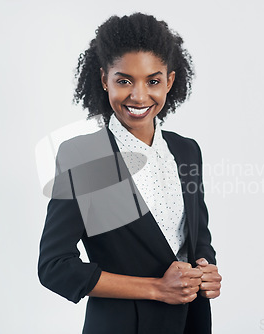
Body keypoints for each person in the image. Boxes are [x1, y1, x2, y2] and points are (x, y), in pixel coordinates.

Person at [38, 12, 221, 334]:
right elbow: (55, 268)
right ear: (103, 79)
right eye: (124, 80)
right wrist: (156, 288)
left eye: (153, 80)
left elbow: (197, 240)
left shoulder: (186, 150)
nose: (139, 96)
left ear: (170, 81)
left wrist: (206, 271)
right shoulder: (83, 156)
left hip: (191, 322)